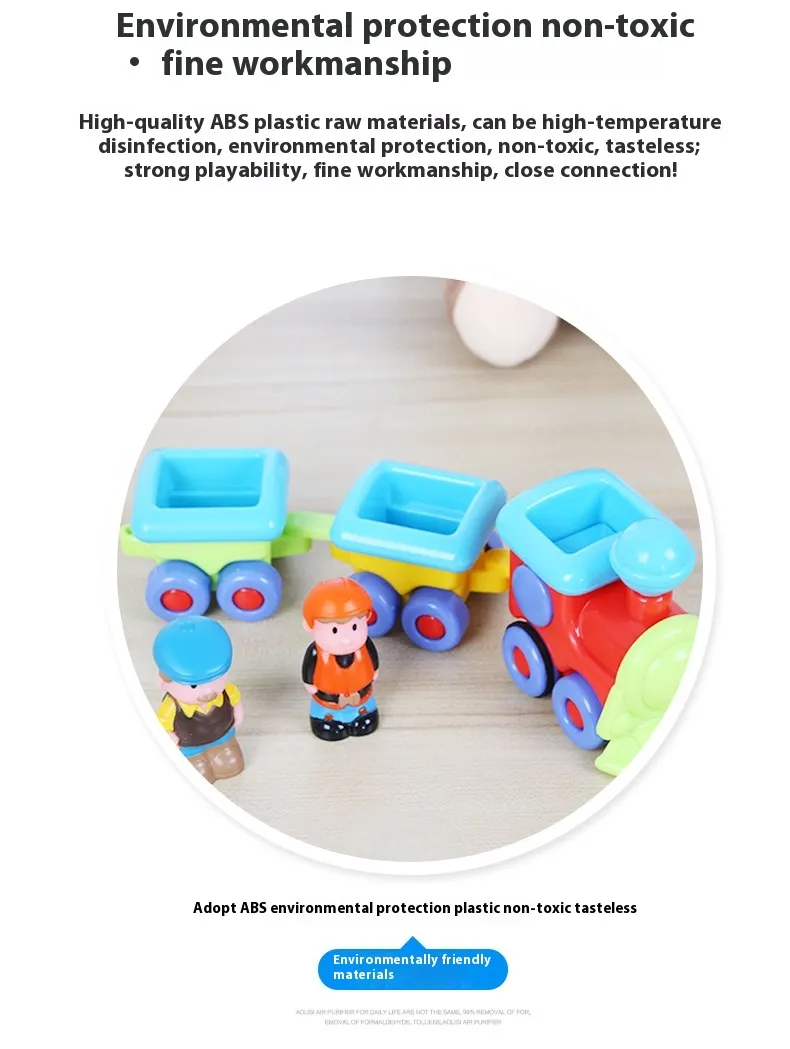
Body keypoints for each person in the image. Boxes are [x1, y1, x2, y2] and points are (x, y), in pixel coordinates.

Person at [153, 616, 244, 782]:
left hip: (224, 737)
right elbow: (163, 726)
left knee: (231, 762)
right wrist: (171, 738)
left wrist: (238, 715)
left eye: (215, 680)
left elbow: (235, 702)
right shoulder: (172, 706)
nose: (208, 691)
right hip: (191, 747)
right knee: (199, 772)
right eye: (194, 686)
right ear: (164, 682)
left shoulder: (227, 692)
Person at [301, 577, 380, 741]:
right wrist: (309, 684)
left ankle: (363, 717)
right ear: (310, 626)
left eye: (354, 627)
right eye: (335, 630)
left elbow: (373, 658)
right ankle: (328, 722)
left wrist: (375, 670)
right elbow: (309, 668)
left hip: (362, 696)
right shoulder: (316, 652)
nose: (346, 640)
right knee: (329, 724)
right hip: (328, 701)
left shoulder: (365, 646)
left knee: (365, 718)